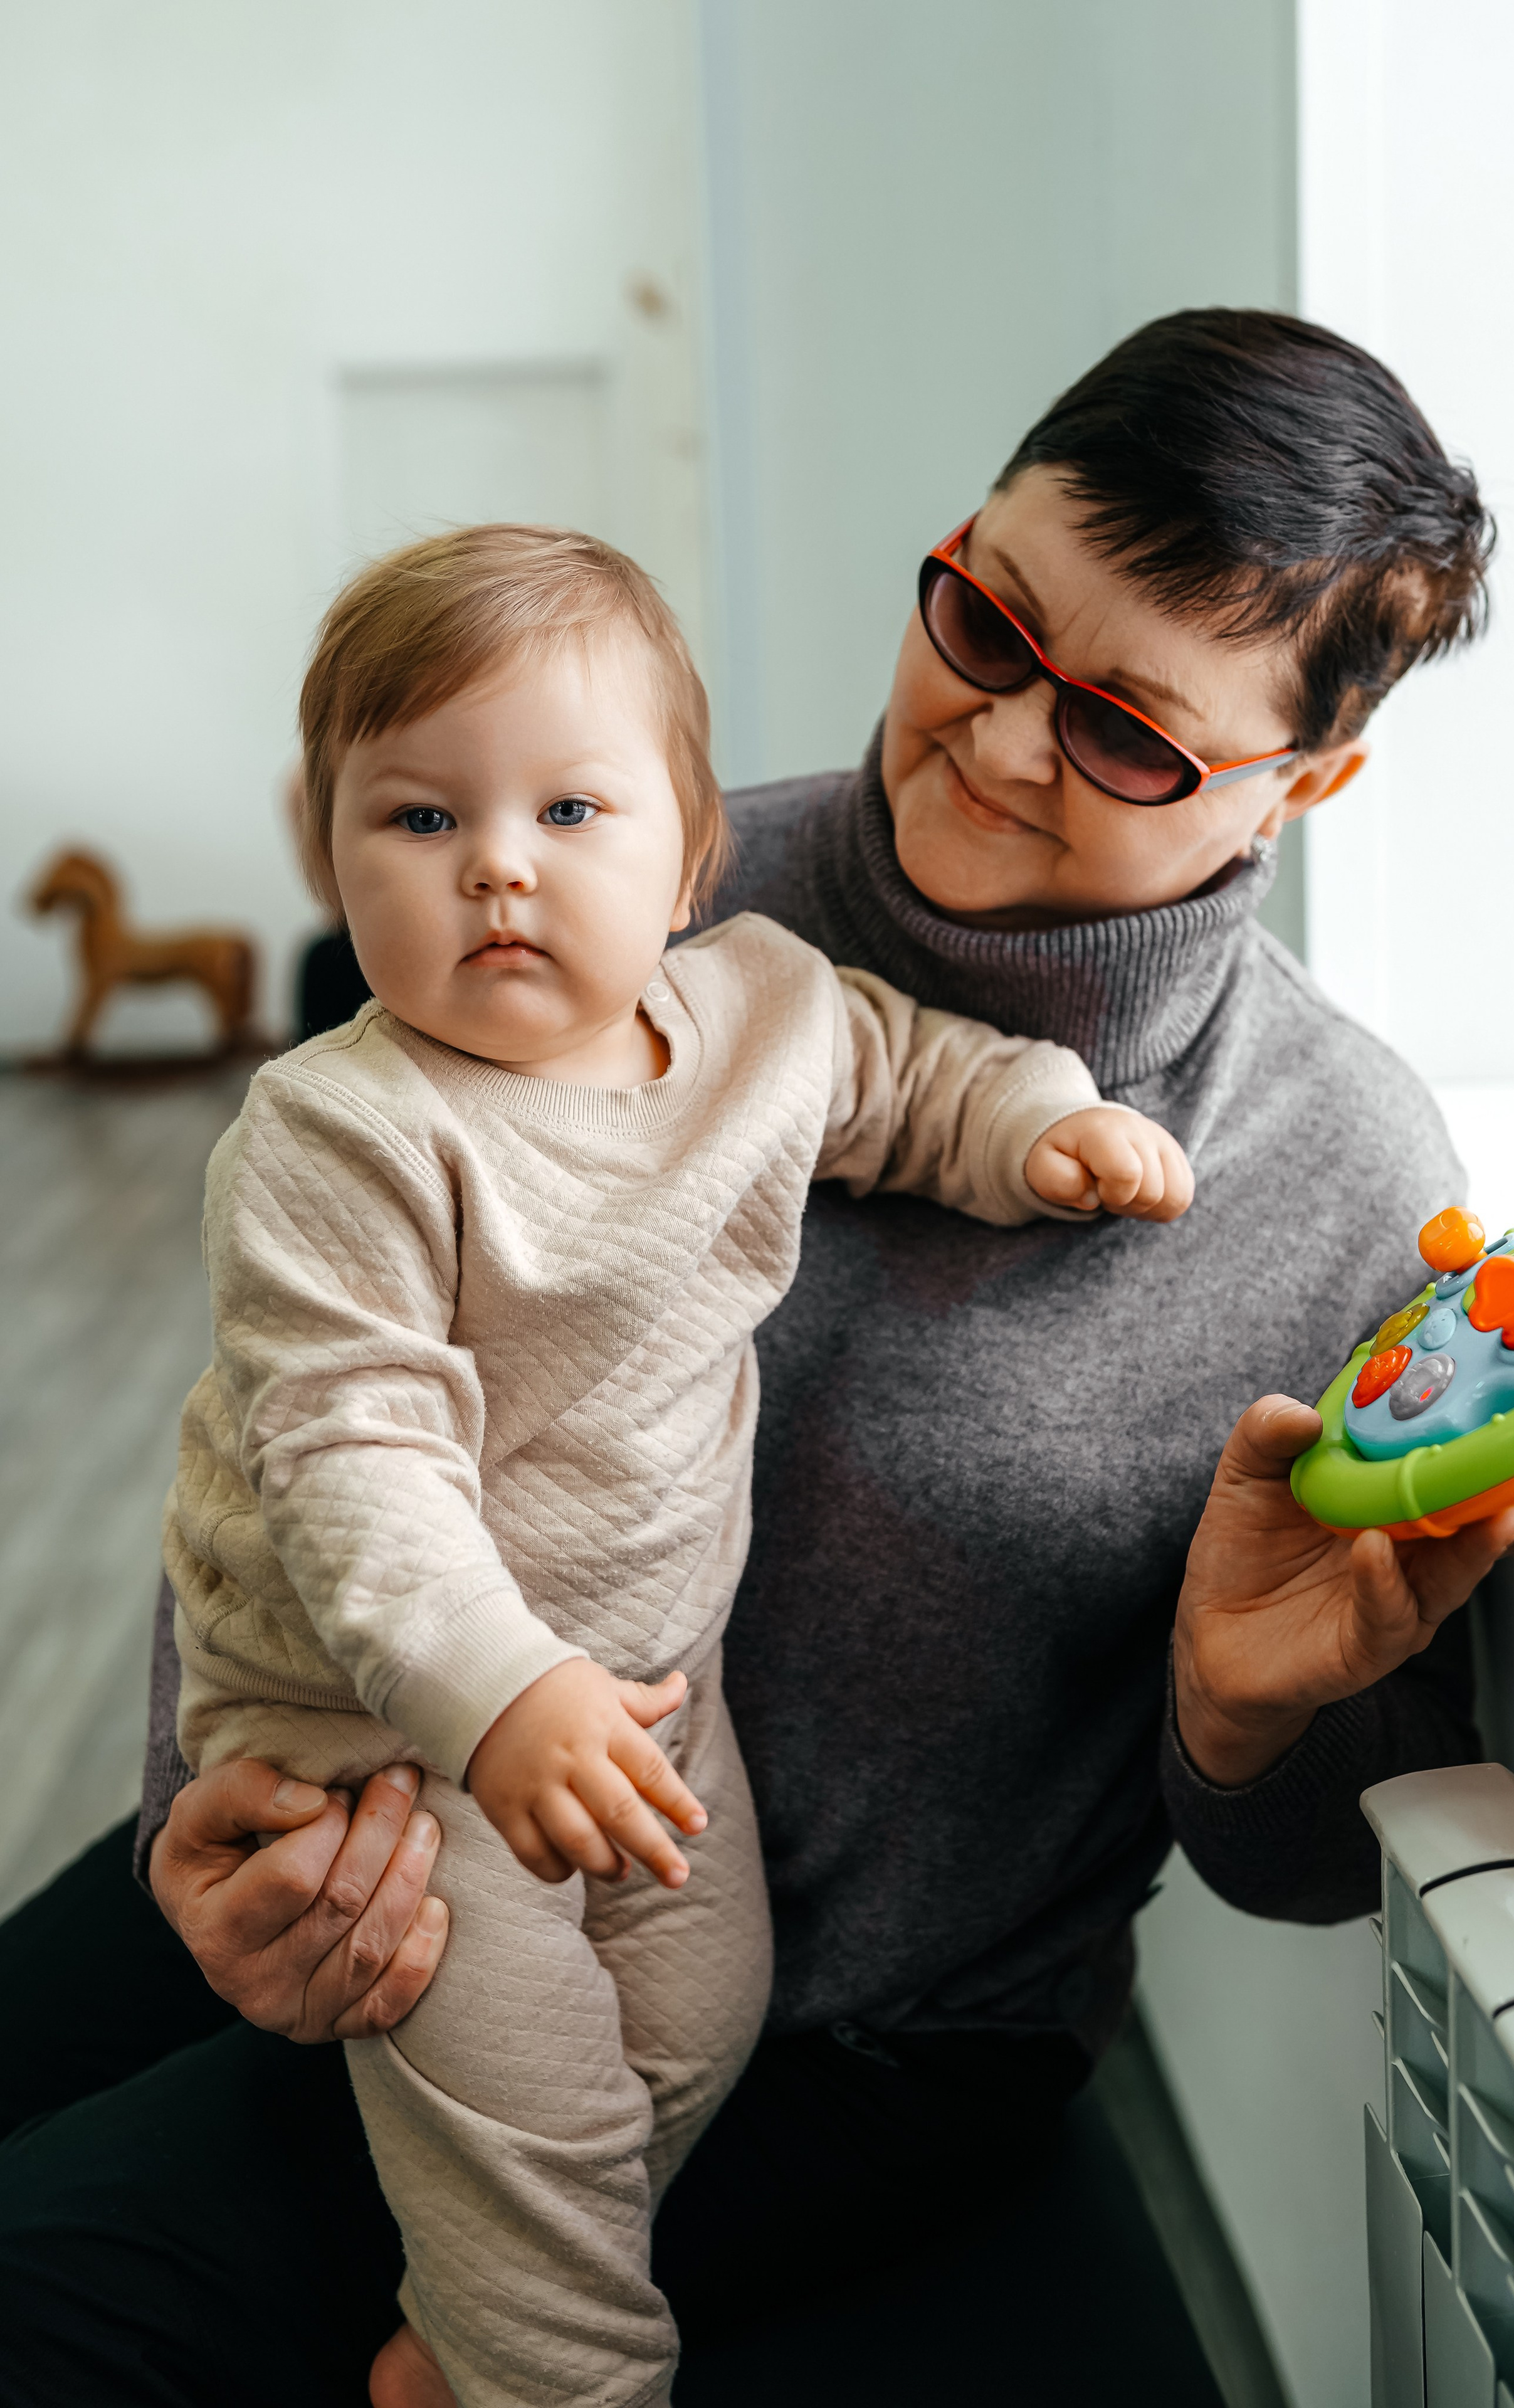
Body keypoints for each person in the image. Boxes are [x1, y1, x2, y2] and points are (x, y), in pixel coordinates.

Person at [4, 310, 1514, 2408]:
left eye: (1132, 730)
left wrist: (1232, 1714)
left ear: (1309, 777)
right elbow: (307, 1408)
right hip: (389, 1812)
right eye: (987, 624)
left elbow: (1314, 1870)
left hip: (857, 2038)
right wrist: (207, 1817)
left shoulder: (1336, 1173)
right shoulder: (605, 868)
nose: (1008, 739)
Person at [161, 519, 1184, 2408]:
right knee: (523, 2102)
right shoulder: (342, 1133)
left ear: (693, 849)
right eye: (415, 822)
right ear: (331, 857)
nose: (495, 869)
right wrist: (498, 1696)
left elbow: (904, 1077)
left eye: (568, 810)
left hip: (653, 1695)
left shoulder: (762, 1013)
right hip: (399, 1733)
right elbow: (352, 1454)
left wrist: (1039, 1123)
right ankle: (535, 2369)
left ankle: (493, 2293)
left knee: (698, 2025)